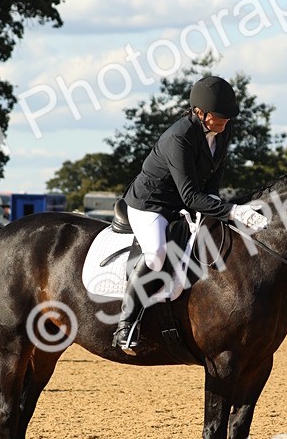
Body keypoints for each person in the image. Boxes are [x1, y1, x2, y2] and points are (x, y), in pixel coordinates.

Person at [112, 74, 269, 354]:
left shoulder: (221, 130)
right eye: (218, 117)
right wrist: (232, 211)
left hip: (184, 203)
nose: (224, 123)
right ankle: (126, 323)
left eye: (227, 118)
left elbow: (210, 184)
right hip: (150, 203)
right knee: (157, 254)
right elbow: (190, 195)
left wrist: (222, 206)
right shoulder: (179, 137)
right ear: (199, 112)